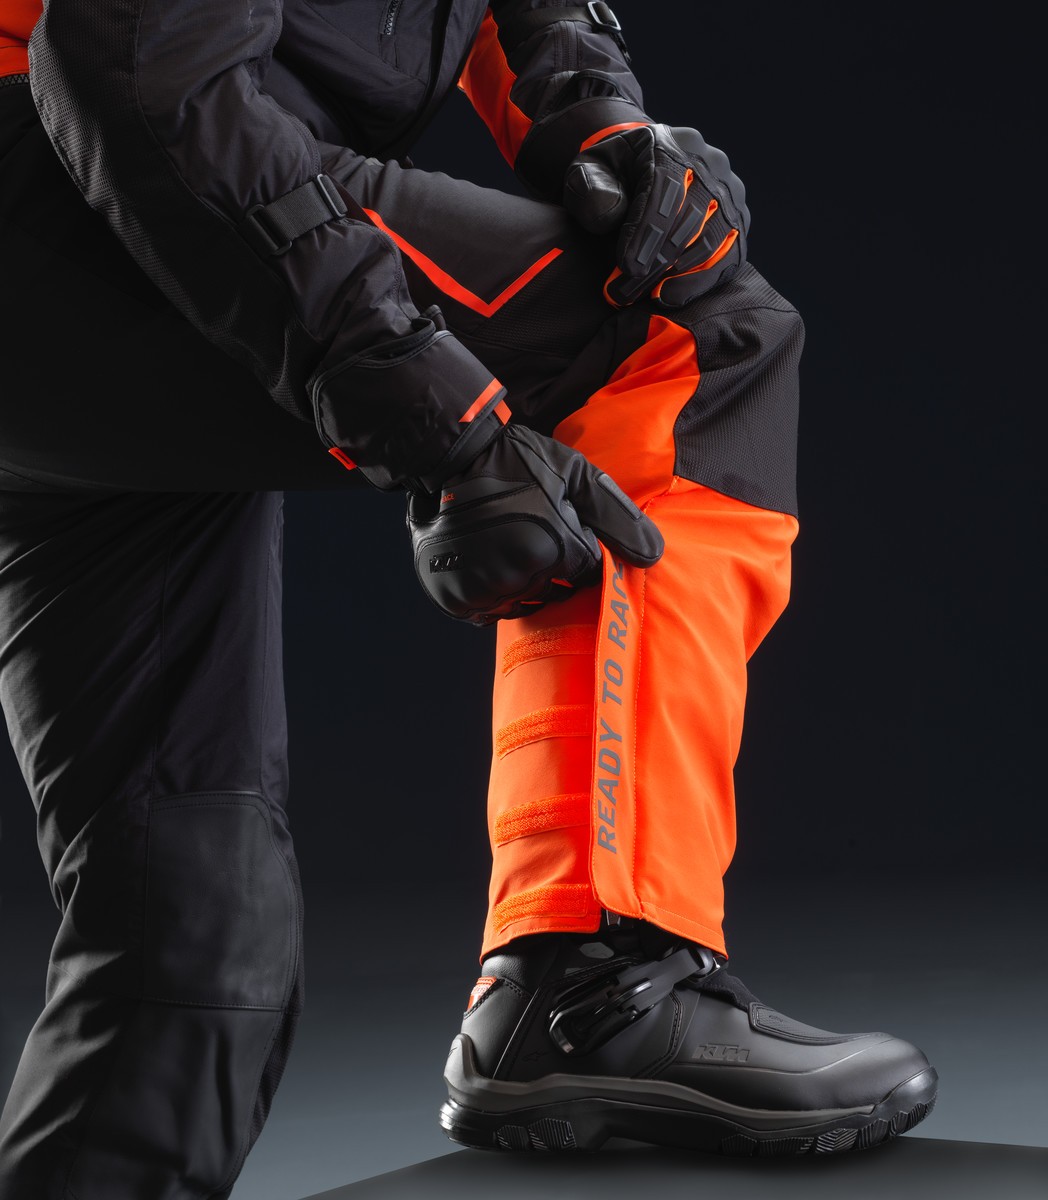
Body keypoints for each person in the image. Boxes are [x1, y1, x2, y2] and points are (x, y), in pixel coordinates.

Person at [0, 1, 936, 1194]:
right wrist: (433, 415)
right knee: (680, 329)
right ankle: (594, 973)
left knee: (188, 924)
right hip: (87, 196)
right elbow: (135, 71)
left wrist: (600, 122)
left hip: (93, 284)